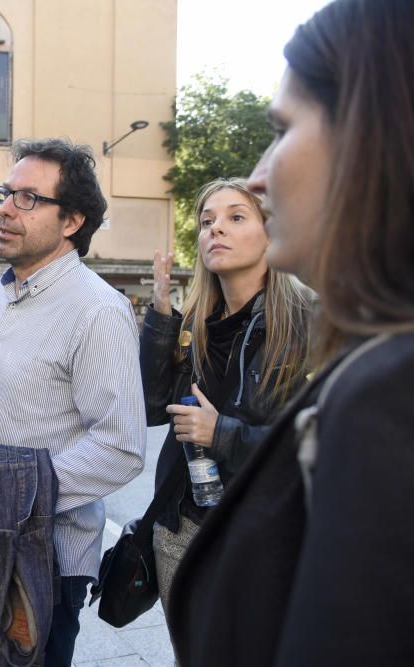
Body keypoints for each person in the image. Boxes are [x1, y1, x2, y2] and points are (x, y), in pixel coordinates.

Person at [168, 1, 414, 665]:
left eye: (282, 129)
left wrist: (222, 433)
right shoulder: (374, 364)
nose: (258, 173)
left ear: (371, 133)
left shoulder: (388, 392)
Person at [0, 138, 147, 666]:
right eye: (6, 193)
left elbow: (121, 449)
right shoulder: (7, 290)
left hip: (43, 560)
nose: (3, 207)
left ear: (71, 221)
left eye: (27, 198)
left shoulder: (97, 309)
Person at [140, 178, 312, 628]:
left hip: (267, 538)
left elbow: (325, 450)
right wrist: (159, 317)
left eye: (236, 217)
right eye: (207, 221)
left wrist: (221, 434)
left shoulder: (308, 322)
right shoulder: (194, 323)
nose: (216, 229)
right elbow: (154, 408)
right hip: (184, 531)